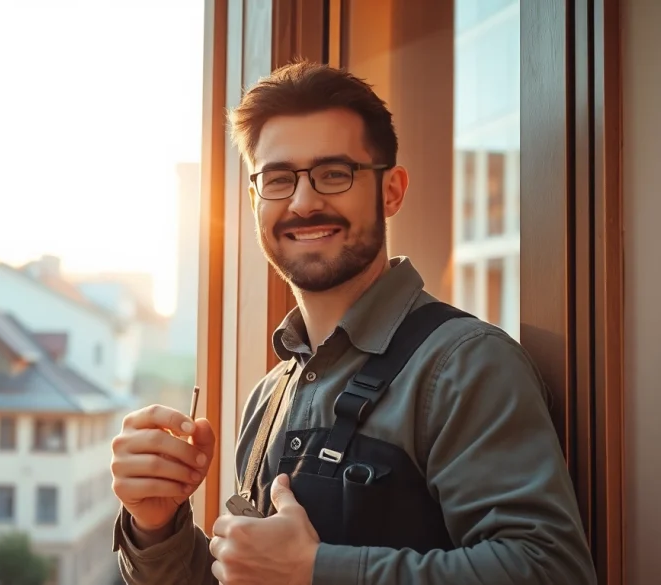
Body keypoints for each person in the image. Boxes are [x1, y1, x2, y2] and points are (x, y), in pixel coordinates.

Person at [109, 60, 597, 585]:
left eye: (334, 173)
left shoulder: (465, 364)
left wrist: (317, 571)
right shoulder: (268, 396)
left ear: (391, 190)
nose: (303, 201)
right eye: (277, 179)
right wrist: (155, 524)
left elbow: (552, 570)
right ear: (255, 202)